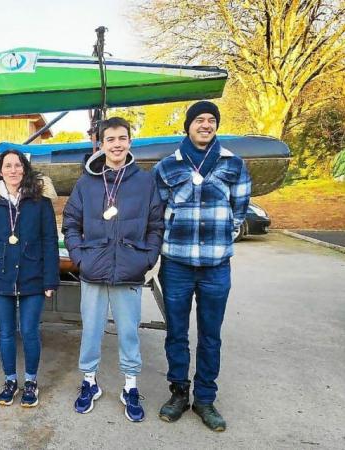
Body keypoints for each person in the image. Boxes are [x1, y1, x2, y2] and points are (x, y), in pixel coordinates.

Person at [154, 101, 251, 432]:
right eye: (199, 120)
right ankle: (179, 393)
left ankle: (205, 399)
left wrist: (220, 237)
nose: (205, 124)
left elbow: (240, 210)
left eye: (211, 120)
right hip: (176, 264)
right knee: (176, 333)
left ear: (216, 126)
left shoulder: (233, 164)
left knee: (211, 335)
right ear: (188, 126)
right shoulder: (167, 167)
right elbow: (157, 213)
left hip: (216, 267)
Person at [62, 117, 164, 422]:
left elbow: (156, 224)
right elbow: (70, 224)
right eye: (111, 139)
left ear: (130, 142)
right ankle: (89, 382)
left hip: (129, 270)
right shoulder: (86, 182)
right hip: (93, 269)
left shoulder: (145, 182)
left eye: (122, 138)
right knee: (91, 330)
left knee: (129, 332)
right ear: (101, 144)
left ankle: (130, 387)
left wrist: (146, 258)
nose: (117, 144)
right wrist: (80, 258)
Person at [0, 149, 59, 408]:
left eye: (18, 165)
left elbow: (49, 241)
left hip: (33, 277)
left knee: (30, 331)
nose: (14, 170)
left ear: (25, 169)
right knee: (6, 333)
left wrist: (50, 280)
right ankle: (10, 380)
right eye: (8, 166)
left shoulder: (39, 200)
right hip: (1, 278)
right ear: (0, 170)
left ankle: (31, 381)